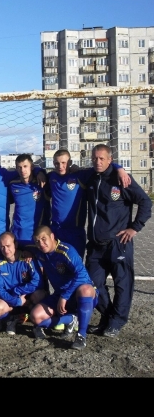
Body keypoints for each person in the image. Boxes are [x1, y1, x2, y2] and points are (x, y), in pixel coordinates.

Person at [81, 144, 152, 337]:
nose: (97, 162)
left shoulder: (121, 179)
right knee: (92, 282)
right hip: (95, 244)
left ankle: (117, 322)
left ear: (110, 160)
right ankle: (107, 317)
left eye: (101, 158)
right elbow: (68, 169)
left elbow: (145, 202)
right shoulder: (91, 177)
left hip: (118, 242)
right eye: (94, 158)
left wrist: (135, 227)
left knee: (122, 284)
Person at [42, 148, 131, 258]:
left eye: (63, 163)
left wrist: (120, 169)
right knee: (57, 264)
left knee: (75, 263)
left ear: (70, 162)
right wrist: (39, 172)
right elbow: (35, 172)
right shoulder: (51, 177)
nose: (60, 166)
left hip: (74, 232)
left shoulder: (80, 175)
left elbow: (103, 167)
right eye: (56, 163)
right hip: (56, 230)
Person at [29, 224, 98, 350]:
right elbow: (16, 246)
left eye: (44, 239)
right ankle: (70, 319)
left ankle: (81, 335)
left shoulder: (66, 251)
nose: (41, 244)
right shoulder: (40, 252)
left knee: (86, 289)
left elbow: (82, 275)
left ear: (52, 236)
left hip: (77, 295)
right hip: (60, 295)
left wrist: (65, 296)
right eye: (37, 241)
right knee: (35, 317)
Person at [0, 231, 44, 334]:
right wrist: (16, 301)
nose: (6, 250)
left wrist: (18, 291)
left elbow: (38, 282)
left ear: (15, 244)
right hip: (10, 297)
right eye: (2, 247)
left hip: (27, 296)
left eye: (8, 246)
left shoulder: (27, 259)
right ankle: (11, 320)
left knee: (40, 294)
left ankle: (37, 324)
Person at [7, 154, 47, 251]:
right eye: (19, 167)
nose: (22, 170)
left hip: (37, 234)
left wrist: (40, 171)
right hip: (18, 233)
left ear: (32, 167)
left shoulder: (42, 182)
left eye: (25, 166)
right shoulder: (13, 184)